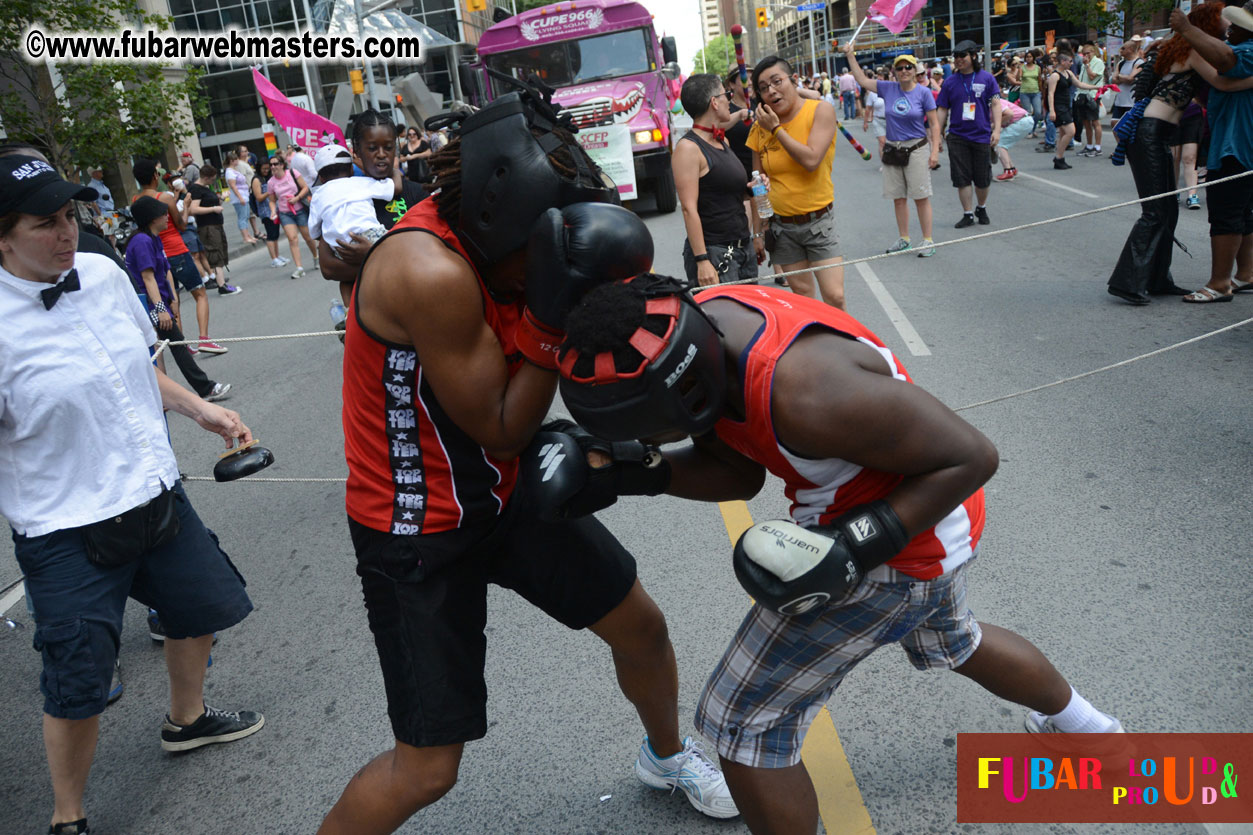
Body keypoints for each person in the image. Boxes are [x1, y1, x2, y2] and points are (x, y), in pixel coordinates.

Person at [553, 274, 1126, 835]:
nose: (650, 442)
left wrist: (854, 545)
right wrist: (633, 475)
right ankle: (1090, 729)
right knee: (954, 640)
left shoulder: (806, 392)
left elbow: (972, 456)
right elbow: (737, 469)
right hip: (921, 520)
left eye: (648, 431)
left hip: (910, 531)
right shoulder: (694, 334)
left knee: (744, 723)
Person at [318, 88, 734, 835]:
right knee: (426, 769)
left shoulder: (504, 253)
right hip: (418, 526)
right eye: (536, 253)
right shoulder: (432, 272)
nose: (541, 265)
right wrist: (548, 314)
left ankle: (666, 755)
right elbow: (506, 423)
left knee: (641, 627)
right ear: (496, 219)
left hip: (503, 493)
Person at [0, 155, 262, 835]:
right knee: (78, 681)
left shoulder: (105, 275)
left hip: (153, 492)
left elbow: (140, 368)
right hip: (66, 528)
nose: (66, 233)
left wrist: (197, 409)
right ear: (2, 237)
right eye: (44, 224)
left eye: (69, 216)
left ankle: (187, 718)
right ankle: (68, 816)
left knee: (199, 606)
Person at [1107, 3, 1228, 305]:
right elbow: (1221, 81)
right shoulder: (1195, 51)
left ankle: (1158, 278)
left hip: (1155, 134)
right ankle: (1127, 281)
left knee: (1168, 210)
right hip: (1149, 133)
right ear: (1209, 24)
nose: (1227, 23)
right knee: (1156, 211)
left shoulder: (1182, 47)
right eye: (1223, 19)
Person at [747, 55, 843, 308]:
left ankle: (845, 345)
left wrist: (776, 129)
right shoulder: (758, 129)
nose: (772, 91)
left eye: (777, 81)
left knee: (834, 296)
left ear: (793, 80)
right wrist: (758, 232)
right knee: (803, 297)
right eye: (764, 88)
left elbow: (811, 160)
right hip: (781, 228)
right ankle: (817, 347)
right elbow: (757, 183)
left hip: (819, 222)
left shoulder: (820, 110)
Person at [1173, 3, 1253, 303]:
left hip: (1238, 145)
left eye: (1239, 23)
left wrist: (1186, 28)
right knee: (1243, 212)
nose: (1230, 26)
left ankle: (1220, 283)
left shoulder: (1246, 50)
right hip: (1236, 143)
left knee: (1226, 212)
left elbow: (1228, 62)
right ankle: (1246, 274)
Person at [317, 109, 430, 304]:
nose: (381, 155)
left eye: (388, 147)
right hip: (370, 311)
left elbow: (430, 252)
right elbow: (328, 267)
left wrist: (372, 254)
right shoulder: (339, 197)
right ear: (356, 152)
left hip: (417, 301)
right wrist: (391, 261)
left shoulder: (418, 193)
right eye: (371, 148)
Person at [125, 195, 232, 401]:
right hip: (147, 304)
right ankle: (205, 388)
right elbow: (147, 278)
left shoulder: (154, 238)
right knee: (175, 343)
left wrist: (173, 299)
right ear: (151, 217)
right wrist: (160, 308)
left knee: (162, 346)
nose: (167, 216)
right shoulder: (141, 242)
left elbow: (165, 271)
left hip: (161, 301)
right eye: (162, 213)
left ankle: (161, 396)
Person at [133, 159, 236, 356]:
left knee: (174, 299)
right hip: (176, 250)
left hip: (157, 253)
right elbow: (181, 224)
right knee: (200, 293)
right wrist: (186, 205)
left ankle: (182, 344)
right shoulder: (165, 197)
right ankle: (204, 339)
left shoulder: (136, 200)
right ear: (155, 176)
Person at [845, 49, 940, 258]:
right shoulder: (887, 88)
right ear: (894, 72)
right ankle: (904, 238)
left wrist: (934, 152)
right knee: (898, 197)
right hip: (893, 148)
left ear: (915, 70)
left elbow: (934, 124)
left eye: (908, 67)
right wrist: (851, 55)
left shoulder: (923, 92)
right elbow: (861, 79)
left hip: (916, 148)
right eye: (900, 68)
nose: (904, 71)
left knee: (921, 197)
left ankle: (927, 240)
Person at [674, 75, 763, 288]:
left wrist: (753, 190)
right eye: (727, 95)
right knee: (724, 320)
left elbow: (734, 194)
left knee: (750, 317)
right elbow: (688, 209)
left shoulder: (723, 140)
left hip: (743, 247)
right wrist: (702, 260)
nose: (729, 101)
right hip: (716, 253)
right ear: (715, 102)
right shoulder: (688, 148)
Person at [936, 40, 1002, 228]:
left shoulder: (987, 78)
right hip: (957, 136)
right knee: (961, 177)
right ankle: (967, 213)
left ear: (973, 56)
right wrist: (938, 135)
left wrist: (996, 130)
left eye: (962, 56)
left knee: (982, 178)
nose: (958, 60)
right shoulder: (949, 82)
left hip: (981, 134)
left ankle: (981, 207)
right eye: (955, 56)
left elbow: (996, 103)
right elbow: (941, 109)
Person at [307, 143, 402, 255]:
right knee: (401, 250)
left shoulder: (318, 195)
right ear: (352, 169)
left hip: (341, 248)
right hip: (371, 236)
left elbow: (314, 233)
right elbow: (396, 188)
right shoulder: (361, 182)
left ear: (321, 178)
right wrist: (394, 170)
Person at [1045, 51, 1103, 170]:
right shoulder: (1055, 76)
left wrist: (1096, 87)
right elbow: (1050, 94)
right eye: (1070, 61)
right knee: (1071, 131)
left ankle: (1060, 159)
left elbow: (1080, 84)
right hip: (1059, 106)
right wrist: (1052, 111)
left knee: (1062, 133)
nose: (1072, 63)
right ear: (1063, 61)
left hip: (1067, 105)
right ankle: (1058, 157)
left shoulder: (1069, 73)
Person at [187, 164, 236, 296]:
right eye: (212, 179)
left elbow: (210, 204)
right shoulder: (196, 189)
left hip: (215, 224)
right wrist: (213, 209)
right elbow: (193, 209)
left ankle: (221, 282)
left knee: (219, 250)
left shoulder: (205, 187)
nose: (213, 181)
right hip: (207, 226)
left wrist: (220, 199)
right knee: (215, 253)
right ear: (207, 178)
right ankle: (221, 285)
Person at [266, 154, 317, 279]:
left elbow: (305, 187)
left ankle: (316, 256)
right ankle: (299, 268)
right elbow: (272, 200)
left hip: (299, 210)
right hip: (285, 213)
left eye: (275, 164)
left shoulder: (293, 173)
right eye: (271, 164)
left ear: (282, 165)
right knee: (292, 239)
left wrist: (297, 198)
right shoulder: (271, 182)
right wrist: (273, 211)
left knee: (308, 238)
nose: (273, 166)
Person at [250, 157, 290, 269]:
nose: (267, 170)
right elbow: (258, 197)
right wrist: (269, 192)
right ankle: (274, 259)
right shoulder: (256, 180)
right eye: (264, 169)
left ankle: (277, 256)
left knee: (275, 234)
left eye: (268, 168)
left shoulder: (267, 178)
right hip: (265, 211)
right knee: (271, 235)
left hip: (274, 209)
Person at [1075, 43, 1106, 156]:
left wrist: (1087, 65)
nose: (1086, 55)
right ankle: (1089, 146)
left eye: (1088, 53)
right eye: (1084, 54)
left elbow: (1093, 76)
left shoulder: (1097, 62)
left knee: (1095, 121)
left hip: (1093, 95)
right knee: (1086, 122)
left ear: (1094, 52)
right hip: (1082, 94)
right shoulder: (1084, 64)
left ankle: (1097, 147)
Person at [993, 96, 1034, 181]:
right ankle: (1012, 169)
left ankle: (1008, 172)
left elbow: (1009, 114)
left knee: (1000, 143)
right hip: (1023, 120)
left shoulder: (993, 101)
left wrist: (995, 125)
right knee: (1003, 144)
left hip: (1021, 121)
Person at [223, 151, 259, 245]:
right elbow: (233, 186)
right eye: (236, 159)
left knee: (246, 215)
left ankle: (248, 235)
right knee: (242, 217)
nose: (238, 161)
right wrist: (240, 198)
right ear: (231, 161)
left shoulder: (234, 170)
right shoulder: (229, 172)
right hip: (239, 197)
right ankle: (245, 237)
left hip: (244, 195)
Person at [1020, 50, 1043, 135]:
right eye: (1027, 57)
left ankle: (1033, 128)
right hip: (1024, 92)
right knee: (1028, 112)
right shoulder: (1022, 67)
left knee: (1038, 112)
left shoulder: (1038, 68)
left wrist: (1041, 91)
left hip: (1036, 91)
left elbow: (1039, 80)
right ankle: (1029, 131)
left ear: (1033, 57)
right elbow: (1019, 78)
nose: (1028, 58)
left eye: (1030, 56)